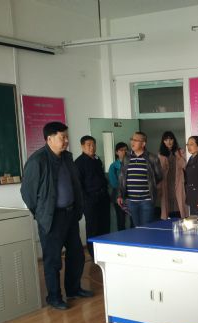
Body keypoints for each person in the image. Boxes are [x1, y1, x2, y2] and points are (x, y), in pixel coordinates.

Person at [20, 122, 92, 310]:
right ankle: (54, 297)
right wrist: (41, 213)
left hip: (70, 214)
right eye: (63, 137)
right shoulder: (37, 161)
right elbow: (27, 193)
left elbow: (74, 185)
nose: (66, 141)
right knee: (53, 260)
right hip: (51, 218)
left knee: (76, 255)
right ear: (49, 139)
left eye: (67, 137)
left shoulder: (67, 158)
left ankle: (73, 289)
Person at [75, 135, 110, 260]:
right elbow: (78, 185)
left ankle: (105, 252)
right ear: (82, 146)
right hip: (90, 201)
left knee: (105, 227)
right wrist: (87, 200)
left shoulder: (97, 159)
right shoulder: (78, 163)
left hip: (103, 198)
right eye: (89, 145)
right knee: (93, 228)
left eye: (93, 144)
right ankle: (94, 254)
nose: (92, 147)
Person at [117, 132, 162, 227]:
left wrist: (150, 184)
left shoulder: (152, 158)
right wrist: (120, 195)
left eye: (136, 140)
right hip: (131, 201)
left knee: (146, 228)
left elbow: (159, 176)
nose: (132, 142)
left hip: (146, 200)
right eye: (132, 139)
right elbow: (122, 177)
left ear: (143, 143)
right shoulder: (126, 158)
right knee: (137, 228)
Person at [157, 131, 188, 219]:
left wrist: (178, 156)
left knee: (180, 203)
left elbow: (185, 166)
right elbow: (159, 171)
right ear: (163, 141)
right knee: (166, 204)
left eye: (171, 139)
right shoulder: (160, 154)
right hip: (166, 182)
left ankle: (182, 219)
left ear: (174, 140)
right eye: (166, 140)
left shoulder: (180, 152)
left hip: (178, 181)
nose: (169, 142)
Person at [108, 142, 130, 231]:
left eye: (126, 150)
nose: (124, 152)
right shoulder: (113, 166)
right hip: (118, 195)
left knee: (134, 220)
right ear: (117, 152)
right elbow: (114, 183)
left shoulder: (131, 163)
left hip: (131, 195)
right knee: (121, 220)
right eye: (121, 150)